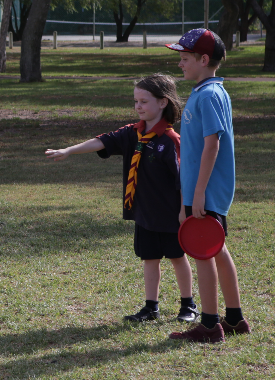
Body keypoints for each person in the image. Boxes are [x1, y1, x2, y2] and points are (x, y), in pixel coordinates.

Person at [46, 74, 199, 324]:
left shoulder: (171, 141)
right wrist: (69, 150)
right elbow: (102, 141)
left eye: (144, 101)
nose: (138, 106)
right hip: (144, 213)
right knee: (149, 258)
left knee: (177, 257)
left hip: (171, 213)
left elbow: (184, 180)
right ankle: (151, 307)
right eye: (135, 101)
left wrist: (184, 210)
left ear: (163, 103)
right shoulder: (132, 133)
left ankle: (188, 305)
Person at [166, 28, 250, 343]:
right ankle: (234, 318)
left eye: (185, 58)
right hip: (201, 192)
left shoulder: (210, 94)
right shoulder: (207, 91)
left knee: (203, 252)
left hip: (206, 192)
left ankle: (210, 325)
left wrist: (197, 193)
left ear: (203, 59)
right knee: (217, 251)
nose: (180, 64)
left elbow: (212, 145)